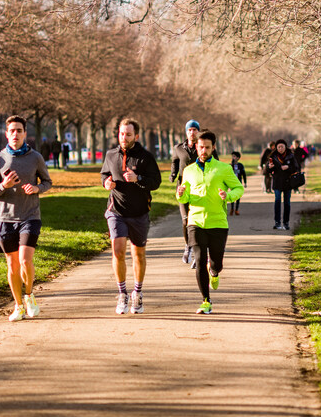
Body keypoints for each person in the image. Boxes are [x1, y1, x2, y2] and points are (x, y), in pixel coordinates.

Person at [0, 116, 54, 322]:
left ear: (25, 134)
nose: (15, 134)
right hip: (5, 219)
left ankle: (29, 295)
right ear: (7, 134)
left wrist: (36, 188)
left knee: (25, 260)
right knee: (12, 265)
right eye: (12, 131)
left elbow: (48, 182)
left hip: (30, 216)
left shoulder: (35, 158)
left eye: (19, 130)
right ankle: (18, 306)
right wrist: (3, 186)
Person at [176, 131, 244, 314]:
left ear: (213, 147)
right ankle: (205, 300)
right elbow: (185, 197)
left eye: (207, 147)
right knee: (199, 260)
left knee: (216, 263)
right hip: (196, 221)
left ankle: (214, 272)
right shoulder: (188, 170)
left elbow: (239, 188)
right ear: (196, 147)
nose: (203, 150)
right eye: (200, 147)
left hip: (218, 222)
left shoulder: (223, 169)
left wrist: (228, 196)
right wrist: (181, 194)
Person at [101, 118, 162, 314]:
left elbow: (156, 182)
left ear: (136, 136)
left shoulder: (145, 157)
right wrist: (106, 183)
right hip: (116, 210)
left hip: (139, 212)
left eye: (128, 134)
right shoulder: (111, 155)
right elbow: (104, 175)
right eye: (121, 134)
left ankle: (137, 292)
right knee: (118, 251)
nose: (124, 137)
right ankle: (122, 293)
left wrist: (139, 179)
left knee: (138, 254)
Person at [170, 119, 201, 267]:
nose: (192, 132)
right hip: (183, 187)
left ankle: (197, 251)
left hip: (199, 188)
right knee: (185, 219)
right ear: (186, 132)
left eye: (195, 129)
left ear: (198, 132)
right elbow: (175, 162)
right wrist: (173, 175)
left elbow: (215, 162)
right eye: (190, 130)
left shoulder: (203, 147)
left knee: (197, 221)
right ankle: (187, 246)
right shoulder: (178, 148)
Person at [267, 139, 297, 230]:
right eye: (278, 147)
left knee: (287, 203)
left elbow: (296, 168)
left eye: (282, 147)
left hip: (288, 182)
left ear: (285, 147)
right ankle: (277, 222)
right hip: (277, 182)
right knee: (277, 201)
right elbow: (267, 171)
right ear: (276, 148)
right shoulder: (272, 156)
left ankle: (286, 223)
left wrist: (288, 167)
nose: (280, 149)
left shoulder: (291, 156)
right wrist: (269, 168)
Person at [228, 150, 248, 214]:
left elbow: (244, 174)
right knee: (232, 196)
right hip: (232, 183)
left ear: (238, 158)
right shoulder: (230, 165)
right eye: (232, 156)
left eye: (234, 156)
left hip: (238, 183)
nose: (233, 158)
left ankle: (236, 209)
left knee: (238, 196)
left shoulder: (240, 166)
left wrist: (245, 182)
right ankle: (232, 209)